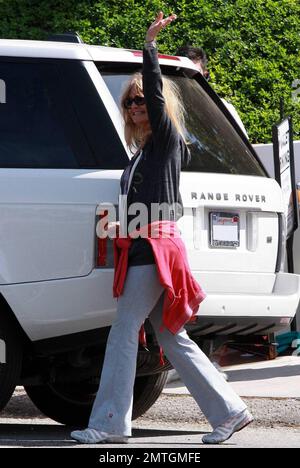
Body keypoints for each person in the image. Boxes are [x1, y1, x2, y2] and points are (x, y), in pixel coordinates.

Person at [70, 12, 253, 446]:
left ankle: (111, 423)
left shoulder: (168, 141)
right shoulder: (143, 154)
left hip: (156, 249)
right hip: (144, 243)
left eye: (140, 101)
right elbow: (144, 205)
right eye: (129, 102)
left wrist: (150, 47)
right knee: (171, 335)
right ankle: (230, 411)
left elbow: (155, 95)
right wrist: (121, 224)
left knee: (123, 330)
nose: (136, 106)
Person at [176, 45, 248, 137]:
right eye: (184, 73)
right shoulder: (168, 109)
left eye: (195, 74)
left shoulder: (224, 109)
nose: (189, 80)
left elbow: (241, 147)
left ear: (205, 75)